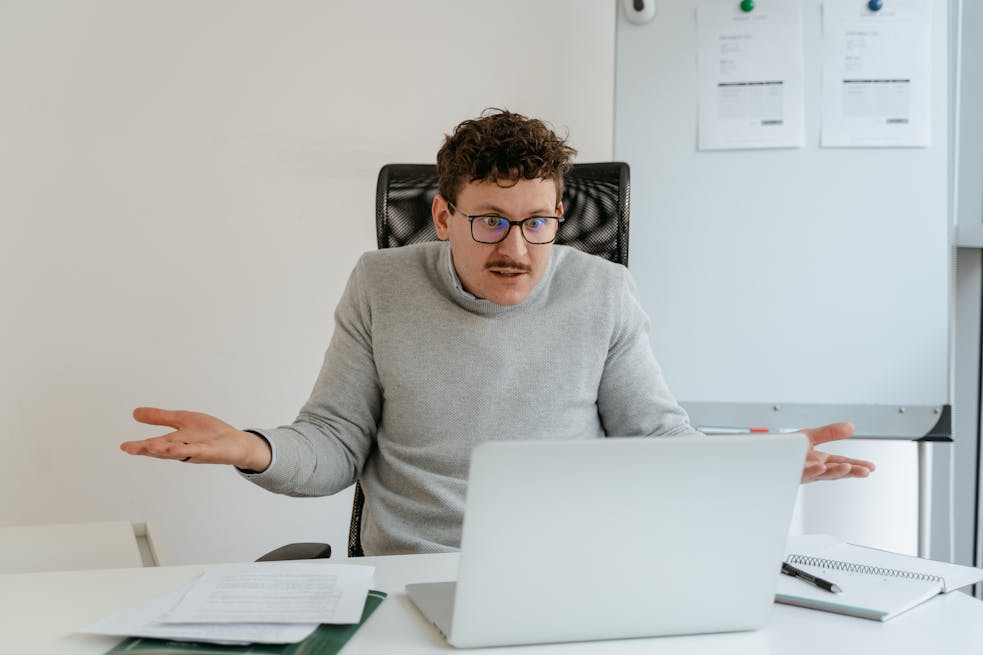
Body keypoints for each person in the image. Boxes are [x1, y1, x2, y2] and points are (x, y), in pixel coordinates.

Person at [120, 109, 875, 555]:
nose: (514, 248)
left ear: (559, 214)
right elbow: (335, 442)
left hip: (568, 572)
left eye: (537, 222)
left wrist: (745, 467)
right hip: (410, 573)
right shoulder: (380, 283)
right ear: (443, 215)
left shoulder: (602, 291)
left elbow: (653, 437)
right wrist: (257, 447)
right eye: (488, 221)